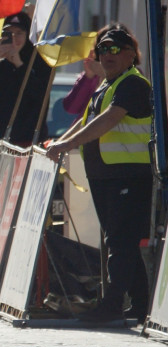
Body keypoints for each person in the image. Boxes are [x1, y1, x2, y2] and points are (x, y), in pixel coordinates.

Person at [45, 28, 153, 323]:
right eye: (103, 50)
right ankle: (141, 306)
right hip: (107, 175)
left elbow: (108, 121)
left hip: (128, 176)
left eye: (115, 50)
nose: (107, 55)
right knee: (120, 240)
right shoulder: (107, 85)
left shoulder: (132, 84)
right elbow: (84, 123)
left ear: (132, 54)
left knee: (120, 241)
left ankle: (113, 304)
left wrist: (67, 145)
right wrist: (57, 143)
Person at [0, 11, 52, 145]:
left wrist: (19, 65)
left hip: (29, 143)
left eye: (19, 33)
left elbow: (40, 95)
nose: (14, 38)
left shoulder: (41, 63)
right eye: (8, 33)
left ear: (28, 35)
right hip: (2, 142)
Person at [62, 24, 132, 116]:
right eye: (103, 48)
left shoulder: (132, 75)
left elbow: (108, 112)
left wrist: (105, 75)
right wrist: (88, 77)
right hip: (86, 128)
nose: (107, 54)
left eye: (114, 49)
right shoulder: (93, 73)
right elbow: (71, 108)